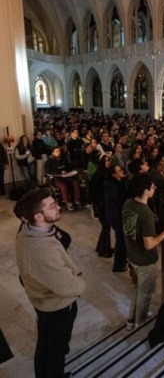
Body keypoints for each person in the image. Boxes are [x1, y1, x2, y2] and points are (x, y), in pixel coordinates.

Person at [14, 188, 86, 377]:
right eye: (52, 206)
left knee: (45, 344)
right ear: (38, 216)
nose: (58, 207)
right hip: (57, 308)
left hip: (43, 303)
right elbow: (67, 286)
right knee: (56, 351)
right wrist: (80, 283)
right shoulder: (40, 251)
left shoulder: (30, 230)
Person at [123, 174, 164, 329]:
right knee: (145, 294)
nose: (155, 188)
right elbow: (149, 244)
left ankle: (131, 320)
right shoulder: (145, 213)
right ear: (145, 191)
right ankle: (140, 323)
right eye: (152, 186)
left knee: (138, 289)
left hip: (132, 255)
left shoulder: (128, 203)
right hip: (145, 260)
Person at [104, 164, 128, 272]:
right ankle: (118, 265)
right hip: (117, 217)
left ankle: (121, 262)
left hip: (116, 216)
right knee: (121, 241)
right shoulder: (114, 187)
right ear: (114, 174)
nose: (122, 171)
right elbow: (118, 202)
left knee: (121, 240)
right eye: (119, 170)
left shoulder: (117, 183)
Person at [44, 147, 82, 211]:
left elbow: (69, 166)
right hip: (56, 177)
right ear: (53, 153)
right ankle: (67, 202)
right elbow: (48, 172)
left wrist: (66, 170)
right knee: (63, 186)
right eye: (56, 151)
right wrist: (59, 172)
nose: (58, 152)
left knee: (75, 183)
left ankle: (76, 200)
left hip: (66, 175)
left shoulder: (63, 158)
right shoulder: (49, 161)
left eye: (59, 151)